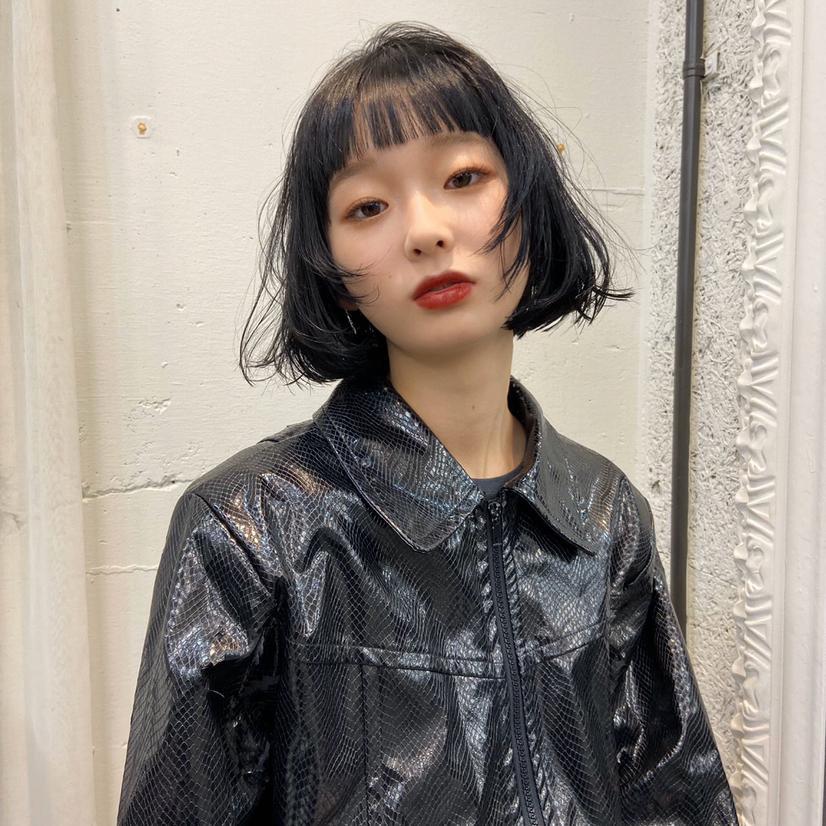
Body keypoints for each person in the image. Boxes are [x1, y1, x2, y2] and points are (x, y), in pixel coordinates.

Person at [117, 20, 739, 826]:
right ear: (332, 269)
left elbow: (674, 797)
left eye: (463, 176)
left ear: (528, 203)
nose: (424, 230)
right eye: (368, 205)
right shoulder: (250, 531)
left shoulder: (603, 515)